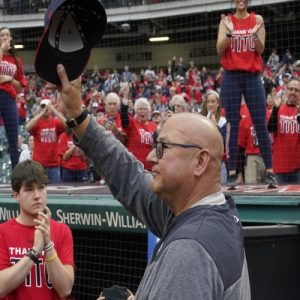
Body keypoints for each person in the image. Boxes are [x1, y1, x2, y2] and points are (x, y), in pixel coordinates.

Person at [56, 64, 250, 299]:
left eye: (162, 148)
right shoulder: (208, 212)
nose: (150, 157)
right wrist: (78, 114)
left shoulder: (189, 250)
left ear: (200, 161)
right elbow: (130, 178)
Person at [216, 0, 277, 189]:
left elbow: (260, 49)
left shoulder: (256, 19)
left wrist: (254, 34)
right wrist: (229, 32)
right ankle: (232, 173)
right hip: (232, 76)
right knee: (232, 124)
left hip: (252, 76)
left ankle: (270, 173)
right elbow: (220, 50)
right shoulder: (226, 20)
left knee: (260, 123)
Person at [0, 159, 75, 299]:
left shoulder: (62, 230)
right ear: (16, 195)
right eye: (29, 189)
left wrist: (48, 246)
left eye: (41, 187)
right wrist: (34, 251)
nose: (37, 195)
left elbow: (65, 290)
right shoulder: (2, 232)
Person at [0, 27, 27, 168]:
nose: (4, 37)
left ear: (10, 39)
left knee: (13, 138)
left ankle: (16, 175)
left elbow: (20, 87)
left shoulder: (16, 60)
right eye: (2, 35)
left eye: (7, 35)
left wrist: (9, 78)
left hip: (9, 98)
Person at [25, 98, 66, 183]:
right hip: (39, 164)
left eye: (48, 107)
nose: (46, 109)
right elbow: (27, 127)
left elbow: (67, 125)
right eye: (43, 106)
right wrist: (41, 113)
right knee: (38, 189)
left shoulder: (55, 122)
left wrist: (54, 111)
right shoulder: (37, 123)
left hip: (53, 165)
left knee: (55, 193)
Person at [267, 78, 300, 184]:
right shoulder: (278, 109)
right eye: (291, 89)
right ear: (285, 90)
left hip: (298, 168)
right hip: (280, 167)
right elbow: (270, 129)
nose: (293, 92)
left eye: (297, 90)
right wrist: (275, 109)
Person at [201, 90, 229, 185]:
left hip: (219, 162)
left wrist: (215, 127)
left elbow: (224, 142)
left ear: (218, 104)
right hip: (203, 163)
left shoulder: (223, 121)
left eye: (213, 101)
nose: (210, 104)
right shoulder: (200, 120)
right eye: (208, 102)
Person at [121, 97, 156, 171]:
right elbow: (124, 118)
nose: (142, 111)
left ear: (149, 112)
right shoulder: (133, 123)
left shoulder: (154, 126)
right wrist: (124, 104)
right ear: (136, 111)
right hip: (135, 167)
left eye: (145, 109)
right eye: (140, 109)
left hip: (150, 168)